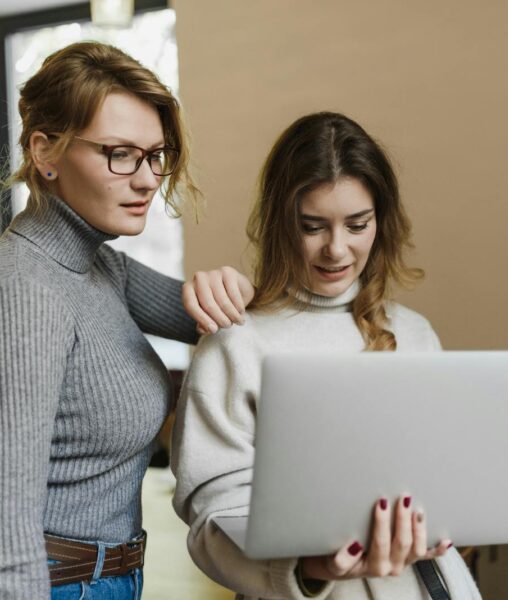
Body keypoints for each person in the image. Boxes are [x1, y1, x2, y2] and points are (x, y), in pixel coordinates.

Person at [171, 112, 482, 599]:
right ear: (278, 223)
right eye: (312, 226)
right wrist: (311, 568)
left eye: (358, 225)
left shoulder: (415, 333)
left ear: (382, 220)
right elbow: (213, 521)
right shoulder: (235, 343)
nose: (337, 249)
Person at [0, 41, 254, 599]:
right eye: (120, 154)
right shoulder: (27, 288)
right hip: (60, 584)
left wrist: (230, 288)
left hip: (108, 578)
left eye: (155, 155)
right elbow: (5, 518)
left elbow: (237, 324)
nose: (147, 180)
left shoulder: (99, 265)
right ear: (46, 151)